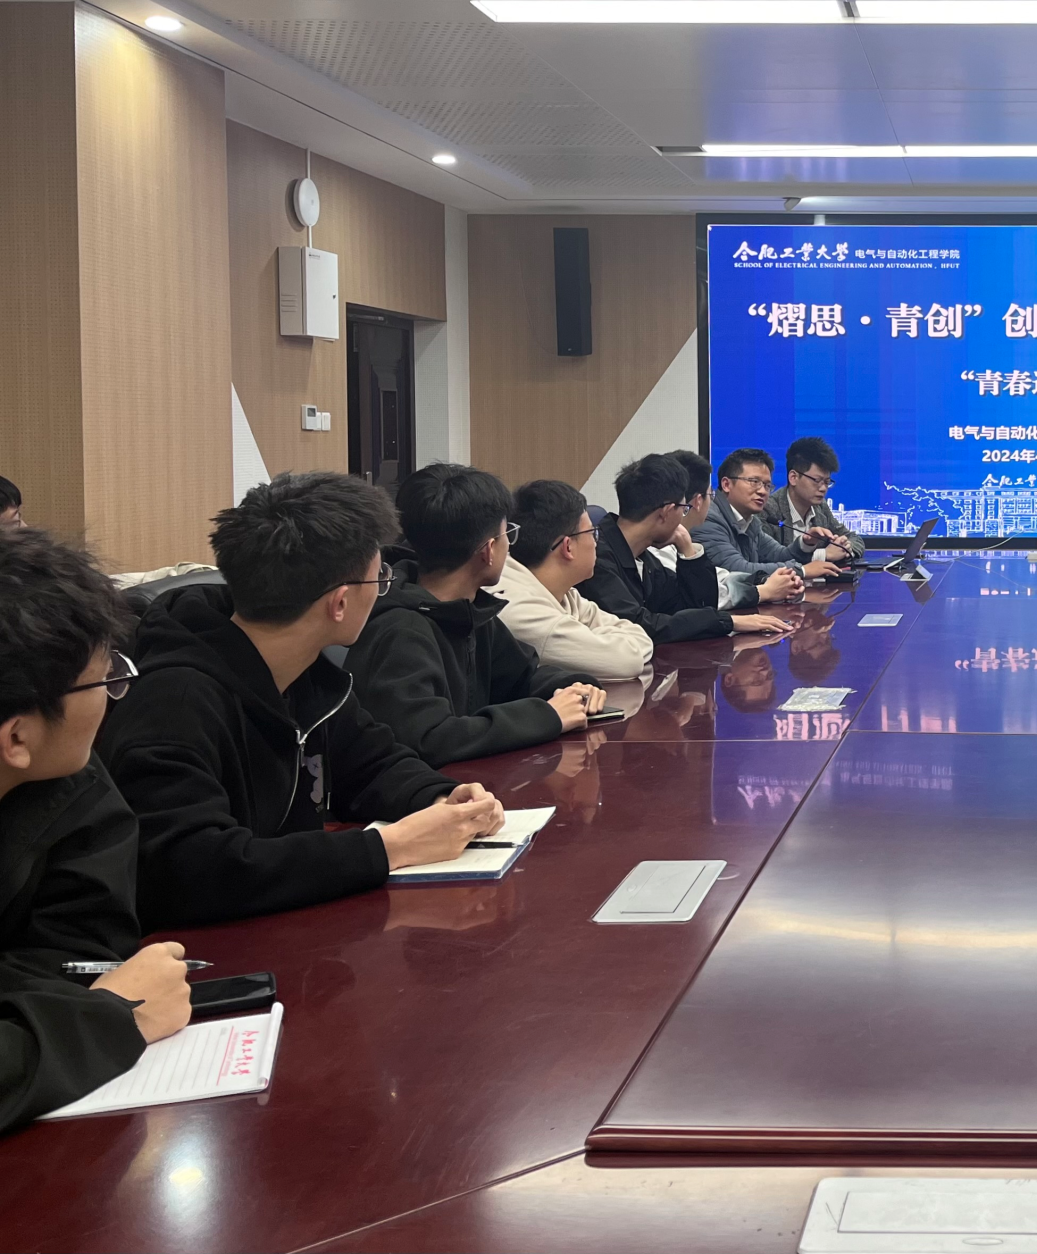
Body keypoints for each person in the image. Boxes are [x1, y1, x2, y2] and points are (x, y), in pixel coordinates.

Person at [100, 473, 505, 929]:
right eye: (380, 578)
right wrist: (391, 847)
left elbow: (373, 763)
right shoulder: (173, 702)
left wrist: (441, 797)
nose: (382, 589)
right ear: (340, 603)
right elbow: (191, 869)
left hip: (286, 924)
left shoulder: (305, 671)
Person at [0, 529, 190, 1130]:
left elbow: (78, 952)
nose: (113, 697)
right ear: (16, 737)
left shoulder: (69, 778)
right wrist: (114, 1018)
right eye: (102, 680)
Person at [347, 464, 604, 766]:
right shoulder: (400, 630)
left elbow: (522, 676)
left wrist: (574, 687)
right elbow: (428, 739)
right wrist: (547, 716)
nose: (509, 546)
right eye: (507, 534)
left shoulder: (469, 610)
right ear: (488, 551)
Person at [587, 452, 796, 643]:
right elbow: (639, 626)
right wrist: (729, 622)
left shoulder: (644, 558)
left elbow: (694, 605)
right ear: (667, 512)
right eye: (683, 508)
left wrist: (687, 549)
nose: (684, 515)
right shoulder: (596, 558)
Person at [492, 479, 653, 681]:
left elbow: (639, 635)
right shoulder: (520, 610)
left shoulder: (562, 592)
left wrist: (598, 637)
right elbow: (627, 661)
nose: (596, 542)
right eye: (592, 533)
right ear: (568, 547)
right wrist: (602, 637)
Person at [698, 448, 840, 579]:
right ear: (726, 485)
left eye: (767, 485)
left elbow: (779, 555)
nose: (762, 491)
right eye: (754, 481)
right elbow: (737, 569)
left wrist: (805, 543)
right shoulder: (708, 519)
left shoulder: (751, 522)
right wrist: (802, 571)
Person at [765, 437, 866, 562]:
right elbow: (768, 560)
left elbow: (854, 538)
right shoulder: (769, 510)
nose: (823, 488)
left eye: (827, 482)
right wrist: (823, 555)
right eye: (817, 481)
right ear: (793, 478)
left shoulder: (820, 507)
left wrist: (845, 548)